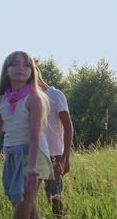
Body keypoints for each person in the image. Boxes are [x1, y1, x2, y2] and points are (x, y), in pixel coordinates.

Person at [0, 51, 53, 219]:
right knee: (29, 211)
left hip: (34, 157)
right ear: (6, 70)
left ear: (32, 71)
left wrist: (31, 168)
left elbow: (34, 136)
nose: (21, 68)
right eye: (15, 64)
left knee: (21, 212)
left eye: (26, 65)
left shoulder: (33, 99)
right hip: (12, 157)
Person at [37, 68, 73, 217]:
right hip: (32, 154)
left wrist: (65, 158)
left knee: (55, 199)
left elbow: (68, 126)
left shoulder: (55, 95)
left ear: (35, 72)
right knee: (25, 199)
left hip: (54, 156)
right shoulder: (27, 98)